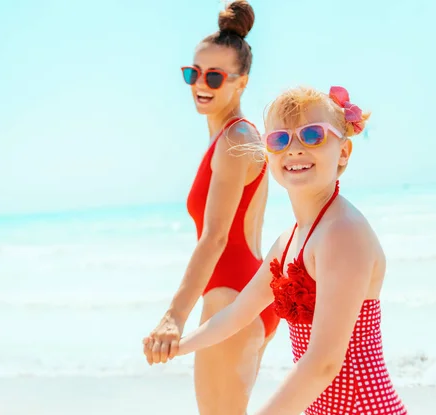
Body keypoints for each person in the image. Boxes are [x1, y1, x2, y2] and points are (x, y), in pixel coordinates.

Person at [150, 85, 408, 415]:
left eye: (312, 135)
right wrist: (178, 347)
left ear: (343, 153)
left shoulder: (343, 233)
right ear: (267, 154)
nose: (294, 149)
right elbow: (235, 315)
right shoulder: (288, 241)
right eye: (279, 140)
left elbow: (324, 363)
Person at [142, 2, 279, 414]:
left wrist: (173, 316)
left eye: (215, 76)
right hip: (243, 293)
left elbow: (216, 237)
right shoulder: (228, 139)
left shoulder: (236, 143)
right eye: (193, 73)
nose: (201, 83)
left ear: (242, 83)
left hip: (232, 295)